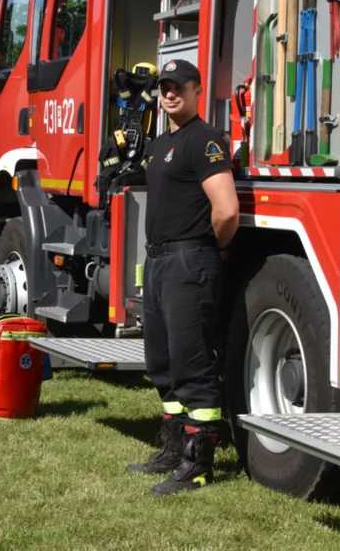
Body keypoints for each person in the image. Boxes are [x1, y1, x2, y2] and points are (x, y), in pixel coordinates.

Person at [126, 58, 240, 496]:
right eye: (164, 87)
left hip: (189, 262)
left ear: (196, 91)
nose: (170, 93)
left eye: (179, 87)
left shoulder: (204, 140)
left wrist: (218, 247)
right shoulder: (159, 144)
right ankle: (174, 450)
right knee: (162, 364)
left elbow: (226, 209)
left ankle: (199, 464)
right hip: (158, 263)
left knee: (193, 366)